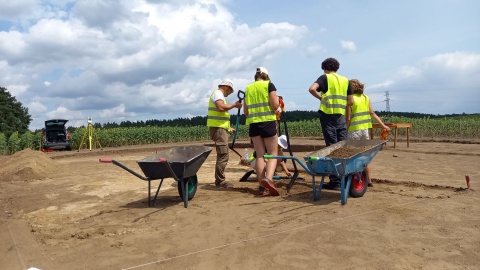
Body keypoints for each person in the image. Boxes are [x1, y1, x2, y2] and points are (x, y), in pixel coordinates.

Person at [308, 57, 354, 190]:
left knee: (332, 147)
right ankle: (345, 178)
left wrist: (322, 97)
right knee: (342, 147)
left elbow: (312, 89)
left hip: (327, 115)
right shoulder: (345, 80)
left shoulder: (325, 77)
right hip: (340, 115)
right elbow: (350, 101)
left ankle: (335, 181)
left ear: (325, 68)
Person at [346, 79, 390, 187]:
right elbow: (373, 113)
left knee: (351, 156)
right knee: (364, 156)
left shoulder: (350, 99)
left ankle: (352, 181)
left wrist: (344, 131)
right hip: (365, 131)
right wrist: (383, 125)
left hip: (354, 131)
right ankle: (369, 180)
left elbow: (348, 119)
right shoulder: (366, 98)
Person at [244, 67, 280, 196]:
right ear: (266, 76)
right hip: (268, 122)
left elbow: (245, 111)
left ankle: (261, 186)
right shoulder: (269, 85)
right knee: (272, 154)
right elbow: (275, 106)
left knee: (259, 155)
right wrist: (278, 102)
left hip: (254, 124)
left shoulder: (248, 88)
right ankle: (268, 180)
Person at [207, 80, 242, 188]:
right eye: (229, 92)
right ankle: (220, 181)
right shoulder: (218, 94)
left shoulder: (218, 94)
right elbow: (220, 107)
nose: (229, 94)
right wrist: (234, 105)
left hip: (220, 128)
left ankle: (220, 180)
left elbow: (219, 115)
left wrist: (228, 128)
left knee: (222, 154)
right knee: (223, 154)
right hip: (219, 129)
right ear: (227, 88)